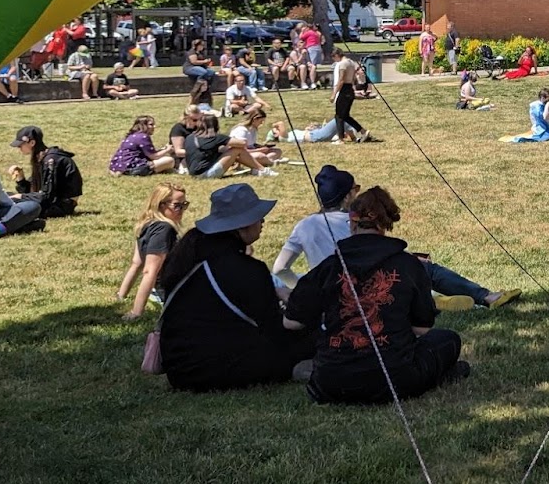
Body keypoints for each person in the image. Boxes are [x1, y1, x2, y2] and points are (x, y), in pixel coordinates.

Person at [283, 185, 470, 404]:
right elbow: (422, 328)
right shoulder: (408, 265)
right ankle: (438, 375)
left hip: (330, 383)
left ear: (352, 223)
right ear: (385, 225)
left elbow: (291, 322)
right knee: (447, 340)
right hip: (393, 380)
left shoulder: (329, 266)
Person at [271, 165, 520, 311]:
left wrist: (307, 283)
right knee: (421, 267)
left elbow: (280, 268)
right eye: (355, 190)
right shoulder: (357, 221)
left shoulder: (303, 226)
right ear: (347, 197)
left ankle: (436, 300)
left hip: (336, 296)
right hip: (377, 287)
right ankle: (483, 297)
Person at [154, 183, 314, 392]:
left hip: (179, 367)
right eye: (258, 217)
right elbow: (274, 328)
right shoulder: (246, 269)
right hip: (218, 367)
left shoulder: (191, 257)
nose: (262, 222)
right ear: (241, 225)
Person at [116, 183, 189, 319]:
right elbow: (150, 271)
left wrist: (121, 295)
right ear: (161, 205)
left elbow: (136, 263)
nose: (182, 209)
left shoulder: (146, 224)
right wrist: (136, 313)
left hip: (159, 289)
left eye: (184, 205)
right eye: (177, 205)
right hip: (170, 290)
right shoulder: (164, 230)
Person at [7, 125, 82, 218]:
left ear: (32, 142)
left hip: (63, 205)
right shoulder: (42, 158)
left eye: (20, 145)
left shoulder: (50, 161)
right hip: (52, 201)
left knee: (12, 202)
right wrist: (20, 178)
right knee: (6, 196)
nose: (19, 148)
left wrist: (21, 197)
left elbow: (46, 197)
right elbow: (31, 192)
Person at [184, 113, 276, 180]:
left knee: (227, 150)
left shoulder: (190, 137)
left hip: (193, 174)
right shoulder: (216, 137)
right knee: (236, 149)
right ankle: (261, 169)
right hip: (206, 174)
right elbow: (242, 143)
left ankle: (256, 168)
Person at [110, 115, 178, 176]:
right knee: (170, 160)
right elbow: (154, 156)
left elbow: (148, 153)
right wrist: (167, 150)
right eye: (151, 125)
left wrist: (163, 149)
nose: (154, 126)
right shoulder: (143, 137)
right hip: (134, 167)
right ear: (143, 126)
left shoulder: (132, 136)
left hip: (119, 165)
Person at [331, 47, 370, 143]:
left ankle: (340, 139)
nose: (335, 60)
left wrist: (334, 94)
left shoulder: (343, 64)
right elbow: (353, 78)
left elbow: (341, 80)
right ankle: (362, 131)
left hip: (344, 89)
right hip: (350, 90)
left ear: (337, 55)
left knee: (339, 116)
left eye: (334, 58)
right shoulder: (352, 63)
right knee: (345, 115)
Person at [297, 24, 322, 90]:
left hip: (312, 48)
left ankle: (313, 82)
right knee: (312, 65)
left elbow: (301, 37)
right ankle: (308, 83)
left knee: (313, 66)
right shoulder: (316, 33)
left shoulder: (309, 32)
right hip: (317, 48)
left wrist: (302, 32)